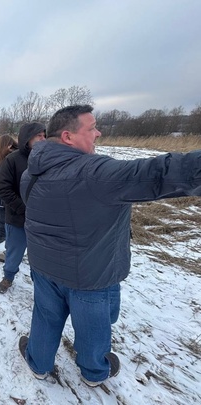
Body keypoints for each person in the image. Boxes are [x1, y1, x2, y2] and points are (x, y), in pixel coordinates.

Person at [18, 104, 201, 387]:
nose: (99, 133)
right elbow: (158, 173)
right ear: (67, 136)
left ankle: (38, 363)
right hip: (90, 273)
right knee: (93, 328)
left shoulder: (31, 173)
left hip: (44, 266)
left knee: (45, 317)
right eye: (91, 128)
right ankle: (94, 372)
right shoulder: (96, 172)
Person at [0, 123, 46, 293]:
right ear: (27, 138)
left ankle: (39, 284)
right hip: (18, 218)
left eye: (44, 135)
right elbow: (2, 188)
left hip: (42, 220)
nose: (43, 139)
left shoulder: (49, 158)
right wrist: (22, 207)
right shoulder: (13, 159)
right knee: (14, 251)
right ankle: (8, 277)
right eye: (39, 135)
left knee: (40, 256)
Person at [0, 135, 18, 244]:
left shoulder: (14, 159)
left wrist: (3, 187)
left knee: (3, 218)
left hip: (6, 197)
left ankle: (3, 234)